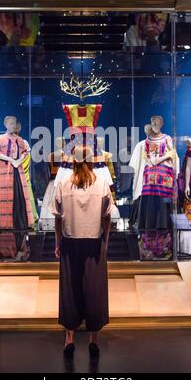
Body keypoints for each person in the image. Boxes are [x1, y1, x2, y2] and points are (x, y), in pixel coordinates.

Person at [51, 144, 113, 358]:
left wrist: (58, 242)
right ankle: (93, 339)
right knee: (94, 290)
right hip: (94, 243)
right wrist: (105, 240)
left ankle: (69, 338)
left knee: (70, 290)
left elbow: (57, 218)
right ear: (93, 160)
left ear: (73, 160)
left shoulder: (63, 185)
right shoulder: (103, 183)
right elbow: (108, 217)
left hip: (70, 242)